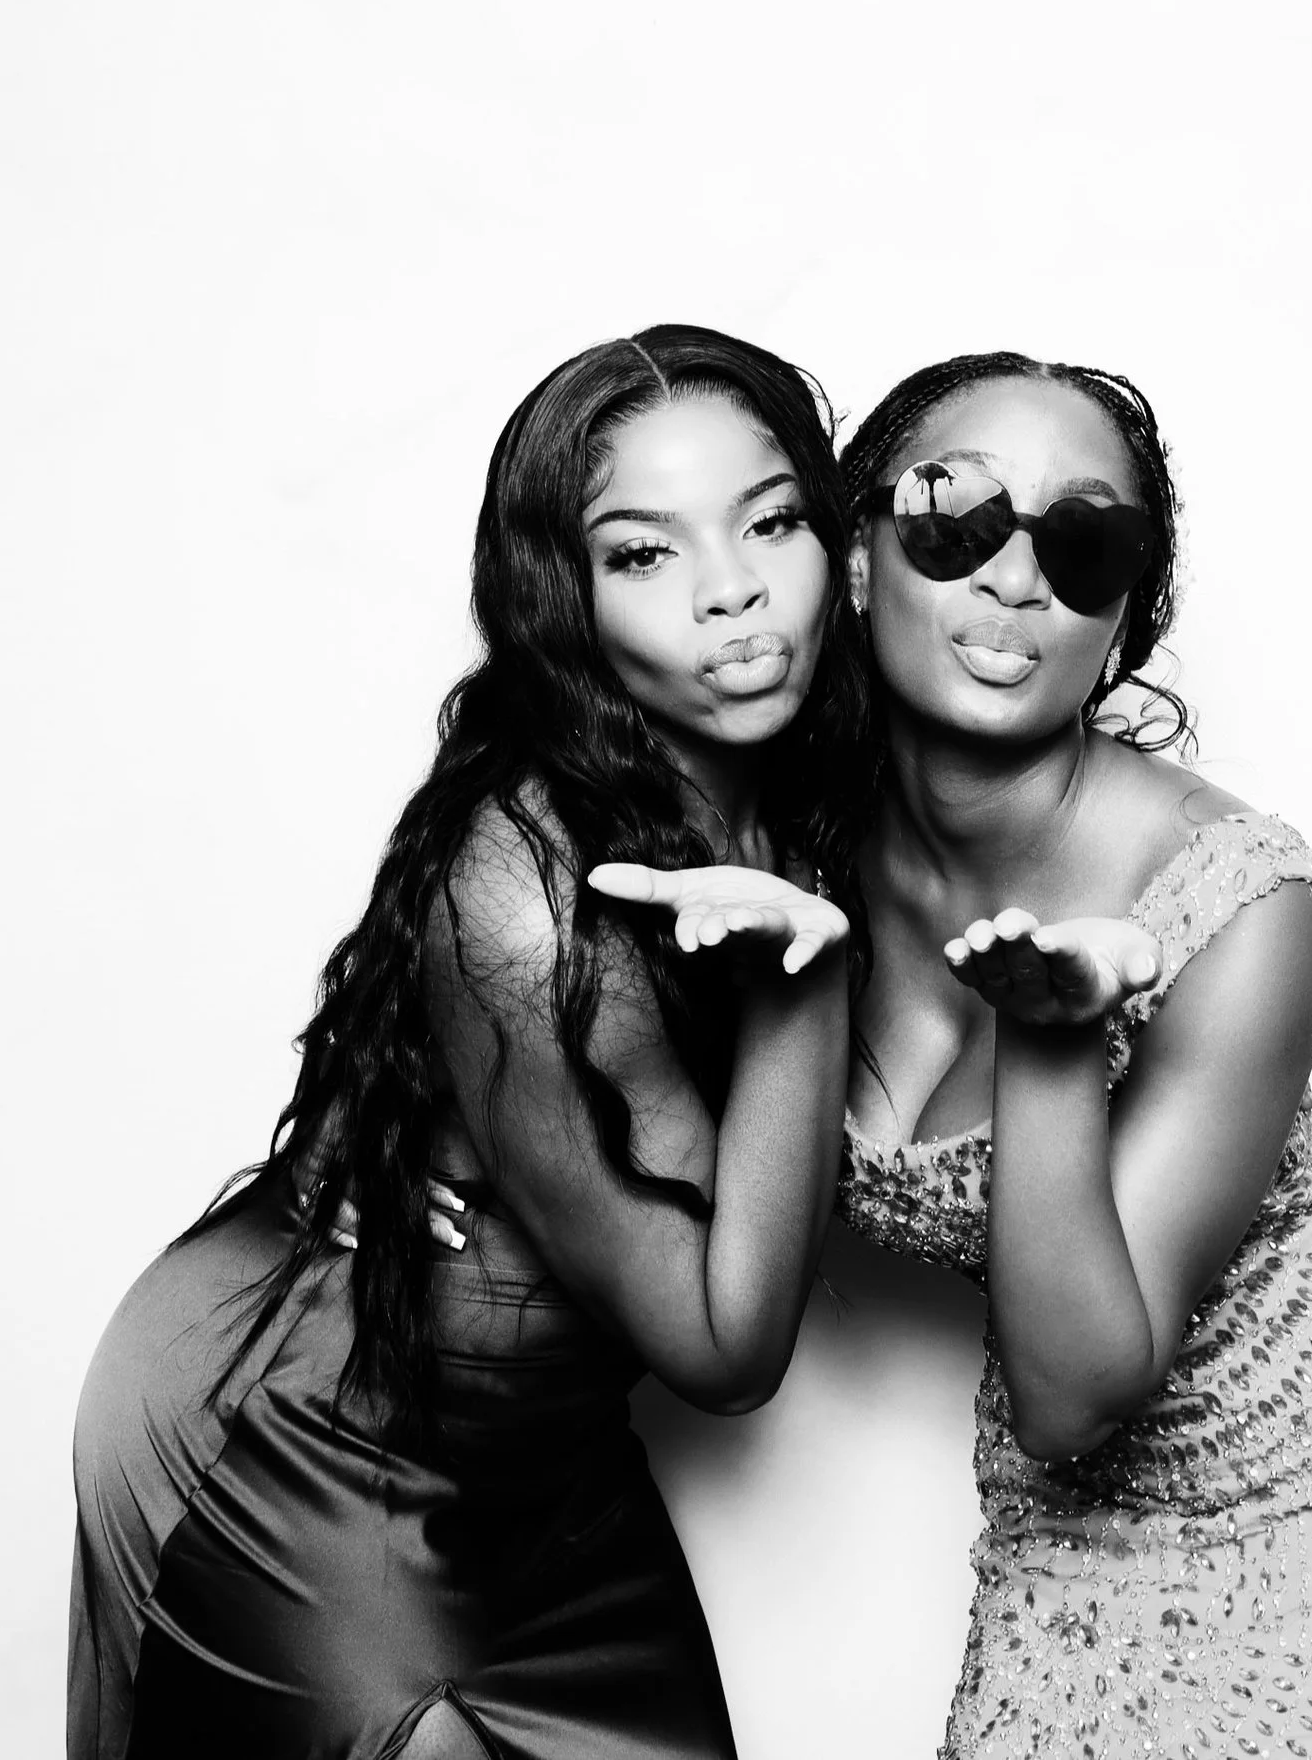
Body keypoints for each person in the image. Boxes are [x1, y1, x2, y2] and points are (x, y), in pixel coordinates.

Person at [68, 326, 869, 1760]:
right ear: (563, 597)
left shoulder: (822, 772)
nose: (733, 591)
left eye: (772, 521)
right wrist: (804, 984)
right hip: (307, 1433)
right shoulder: (530, 898)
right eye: (643, 554)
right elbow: (726, 1342)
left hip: (540, 1452)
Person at [826, 354, 1312, 1757]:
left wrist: (1053, 1039)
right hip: (1081, 1496)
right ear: (860, 561)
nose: (1016, 579)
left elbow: (1072, 1391)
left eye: (1084, 544)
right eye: (953, 514)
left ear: (1122, 626)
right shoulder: (791, 848)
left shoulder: (1240, 901)